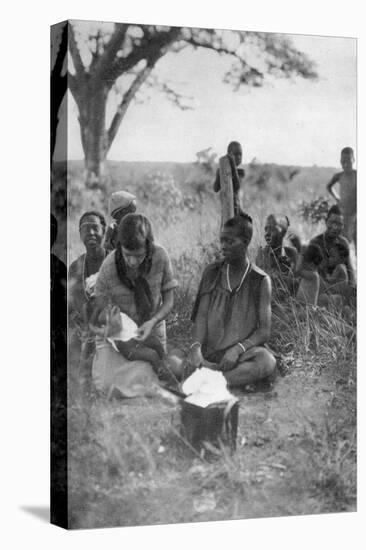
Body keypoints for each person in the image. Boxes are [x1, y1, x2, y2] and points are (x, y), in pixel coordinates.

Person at [188, 212, 276, 388]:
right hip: (209, 354)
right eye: (222, 241)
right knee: (173, 360)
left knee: (266, 361)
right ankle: (222, 379)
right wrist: (196, 348)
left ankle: (215, 381)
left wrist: (237, 350)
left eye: (230, 241)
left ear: (245, 241)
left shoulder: (260, 280)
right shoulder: (212, 272)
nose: (223, 246)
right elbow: (202, 316)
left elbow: (264, 331)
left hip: (240, 355)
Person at [91, 214, 179, 388]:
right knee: (109, 383)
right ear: (119, 247)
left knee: (157, 353)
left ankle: (166, 375)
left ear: (149, 247)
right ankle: (165, 379)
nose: (132, 262)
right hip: (120, 336)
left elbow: (169, 301)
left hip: (150, 326)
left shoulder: (160, 256)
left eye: (138, 256)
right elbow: (95, 311)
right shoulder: (109, 267)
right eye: (127, 255)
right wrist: (109, 322)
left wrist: (153, 322)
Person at [68, 211, 107, 390]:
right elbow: (70, 305)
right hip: (85, 328)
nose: (91, 232)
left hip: (111, 324)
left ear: (104, 230)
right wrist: (74, 317)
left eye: (95, 228)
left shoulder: (114, 261)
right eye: (86, 229)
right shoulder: (75, 267)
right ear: (80, 234)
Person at [309, 204, 355, 286]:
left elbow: (350, 270)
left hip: (340, 288)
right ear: (326, 222)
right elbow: (310, 271)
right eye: (332, 222)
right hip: (320, 288)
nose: (335, 227)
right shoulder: (315, 242)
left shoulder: (343, 242)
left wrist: (352, 289)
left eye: (340, 224)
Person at [256, 214, 298, 299]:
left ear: (283, 232)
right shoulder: (263, 254)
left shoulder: (291, 253)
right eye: (266, 229)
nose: (267, 233)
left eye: (272, 229)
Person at [326, 147, 356, 246]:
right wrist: (337, 198)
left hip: (355, 214)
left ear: (354, 160)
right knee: (342, 243)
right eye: (343, 161)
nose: (345, 164)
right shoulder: (339, 176)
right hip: (342, 214)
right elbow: (329, 186)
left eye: (348, 161)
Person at [213, 141, 245, 215]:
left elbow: (237, 186)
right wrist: (219, 173)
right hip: (226, 209)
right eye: (235, 154)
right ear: (229, 154)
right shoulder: (222, 171)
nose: (238, 157)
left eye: (240, 154)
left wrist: (232, 164)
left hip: (237, 210)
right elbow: (215, 188)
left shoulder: (241, 172)